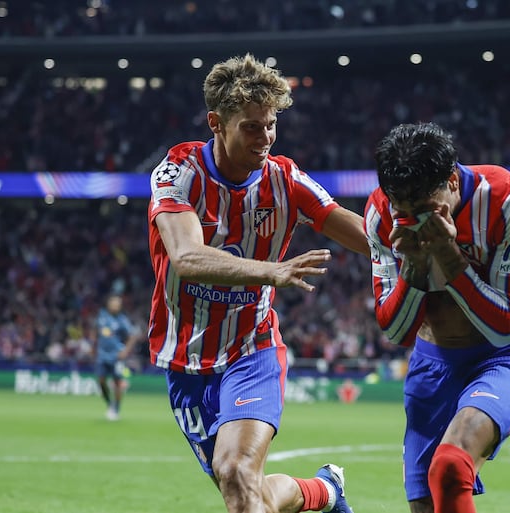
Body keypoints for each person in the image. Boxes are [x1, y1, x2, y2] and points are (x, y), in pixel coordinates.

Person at [147, 54, 367, 513]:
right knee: (250, 495)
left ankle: (325, 492)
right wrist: (272, 271)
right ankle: (326, 492)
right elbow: (186, 257)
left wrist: (406, 256)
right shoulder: (177, 173)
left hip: (253, 347)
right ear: (216, 123)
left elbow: (341, 221)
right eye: (251, 126)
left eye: (271, 124)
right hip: (187, 361)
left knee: (237, 472)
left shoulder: (284, 177)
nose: (265, 137)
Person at [364, 122, 510, 513]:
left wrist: (449, 256)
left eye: (425, 209)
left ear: (451, 180)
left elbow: (505, 325)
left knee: (450, 466)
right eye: (403, 210)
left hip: (504, 357)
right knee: (426, 506)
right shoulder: (379, 213)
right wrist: (413, 265)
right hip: (432, 363)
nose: (413, 220)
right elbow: (395, 330)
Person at [93, 293, 141, 421]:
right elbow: (96, 333)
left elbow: (132, 336)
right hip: (102, 355)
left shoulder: (122, 320)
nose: (115, 306)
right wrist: (93, 348)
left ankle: (116, 409)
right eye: (113, 303)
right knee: (101, 381)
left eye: (118, 304)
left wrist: (125, 351)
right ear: (108, 304)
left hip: (117, 357)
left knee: (117, 382)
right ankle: (110, 403)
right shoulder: (101, 316)